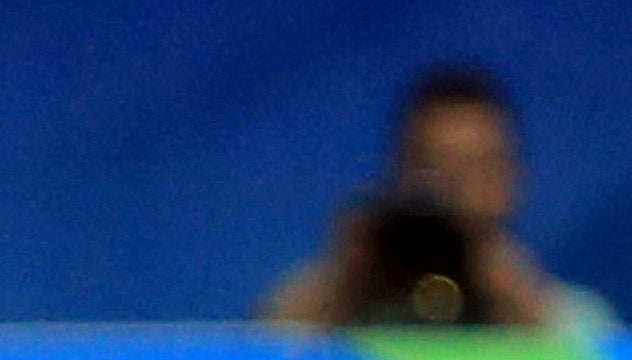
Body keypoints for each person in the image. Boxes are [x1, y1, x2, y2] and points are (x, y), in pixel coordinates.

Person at [263, 67, 618, 335]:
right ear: (397, 175)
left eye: (475, 168)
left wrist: (515, 300)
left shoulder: (568, 313)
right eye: (432, 168)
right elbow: (257, 348)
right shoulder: (335, 295)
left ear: (511, 181)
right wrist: (344, 280)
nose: (453, 193)